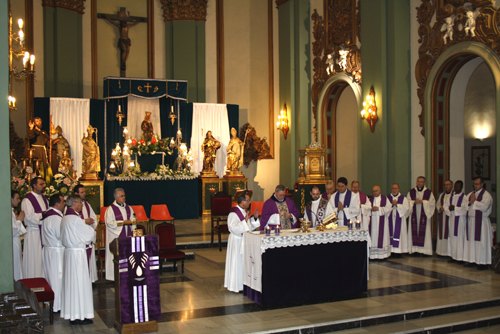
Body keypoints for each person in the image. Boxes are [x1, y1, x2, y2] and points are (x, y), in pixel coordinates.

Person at [60, 196, 95, 325]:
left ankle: (73, 314)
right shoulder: (76, 219)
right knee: (80, 284)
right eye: (80, 203)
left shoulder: (65, 218)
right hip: (78, 255)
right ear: (74, 203)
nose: (81, 205)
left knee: (71, 285)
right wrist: (90, 229)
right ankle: (81, 315)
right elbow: (89, 234)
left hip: (69, 254)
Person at [224, 191, 260, 293]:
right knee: (237, 263)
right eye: (247, 200)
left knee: (243, 263)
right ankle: (236, 285)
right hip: (236, 241)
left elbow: (248, 227)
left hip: (243, 240)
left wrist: (255, 218)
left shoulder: (244, 211)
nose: (249, 202)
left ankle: (243, 284)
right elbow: (233, 228)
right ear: (242, 201)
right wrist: (244, 221)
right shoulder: (233, 213)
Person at [104, 188, 136, 281]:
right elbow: (110, 223)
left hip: (128, 236)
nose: (124, 198)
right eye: (122, 196)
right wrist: (123, 223)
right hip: (115, 237)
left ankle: (127, 275)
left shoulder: (129, 208)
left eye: (124, 195)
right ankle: (115, 277)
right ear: (116, 197)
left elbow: (133, 220)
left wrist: (133, 229)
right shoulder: (110, 209)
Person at [42, 195, 65, 313]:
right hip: (56, 252)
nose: (64, 204)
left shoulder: (47, 216)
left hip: (48, 250)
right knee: (57, 277)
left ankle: (52, 302)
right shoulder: (55, 218)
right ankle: (57, 305)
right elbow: (61, 236)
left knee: (50, 277)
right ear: (57, 204)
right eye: (63, 202)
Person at [21, 176, 48, 278]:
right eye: (41, 184)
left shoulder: (44, 199)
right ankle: (33, 280)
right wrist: (43, 215)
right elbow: (28, 218)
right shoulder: (27, 200)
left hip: (43, 232)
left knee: (41, 260)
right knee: (34, 259)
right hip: (34, 233)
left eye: (44, 184)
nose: (43, 186)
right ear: (34, 185)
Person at [466, 177, 493, 269]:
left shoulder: (486, 195)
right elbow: (464, 205)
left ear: (482, 184)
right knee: (472, 242)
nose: (475, 185)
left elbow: (485, 207)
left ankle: (483, 262)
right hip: (471, 221)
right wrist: (470, 202)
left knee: (482, 242)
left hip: (482, 222)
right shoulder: (470, 194)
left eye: (477, 184)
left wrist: (475, 201)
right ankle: (473, 260)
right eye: (474, 184)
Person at [74, 184, 98, 283]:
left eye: (84, 192)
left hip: (88, 236)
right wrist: (85, 222)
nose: (84, 194)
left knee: (90, 258)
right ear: (76, 194)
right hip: (79, 238)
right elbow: (72, 221)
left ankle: (90, 279)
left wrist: (92, 224)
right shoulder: (71, 206)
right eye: (82, 192)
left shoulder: (87, 204)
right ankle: (82, 280)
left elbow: (94, 218)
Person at [407, 176, 435, 255]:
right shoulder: (411, 192)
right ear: (416, 182)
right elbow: (407, 202)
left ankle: (424, 251)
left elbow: (432, 203)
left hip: (424, 215)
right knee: (414, 231)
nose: (420, 183)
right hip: (414, 214)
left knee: (424, 231)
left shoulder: (428, 192)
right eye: (418, 181)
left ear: (424, 183)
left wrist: (423, 202)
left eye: (422, 181)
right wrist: (413, 202)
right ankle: (414, 250)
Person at [369, 185, 392, 259]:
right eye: (373, 191)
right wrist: (370, 209)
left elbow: (389, 208)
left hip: (382, 222)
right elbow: (366, 209)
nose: (374, 192)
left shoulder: (385, 199)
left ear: (380, 191)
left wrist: (378, 209)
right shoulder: (370, 199)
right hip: (372, 223)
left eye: (376, 191)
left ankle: (382, 255)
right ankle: (373, 255)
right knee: (373, 236)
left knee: (382, 237)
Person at [387, 183, 410, 255]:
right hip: (390, 220)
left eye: (396, 188)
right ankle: (391, 251)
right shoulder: (387, 198)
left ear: (399, 189)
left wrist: (397, 205)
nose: (394, 190)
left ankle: (399, 251)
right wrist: (391, 205)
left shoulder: (404, 198)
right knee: (390, 233)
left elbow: (406, 208)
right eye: (393, 188)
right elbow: (385, 208)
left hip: (400, 220)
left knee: (399, 234)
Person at [448, 180, 468, 262]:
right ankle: (453, 256)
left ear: (461, 187)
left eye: (458, 186)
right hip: (452, 220)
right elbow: (447, 206)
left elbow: (465, 209)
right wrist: (449, 208)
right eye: (455, 186)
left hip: (460, 221)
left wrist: (455, 208)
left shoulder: (464, 197)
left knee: (459, 238)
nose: (456, 187)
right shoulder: (452, 196)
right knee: (452, 238)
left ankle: (460, 258)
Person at [436, 179, 453, 257]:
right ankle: (440, 252)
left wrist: (445, 208)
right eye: (445, 185)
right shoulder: (442, 195)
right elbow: (438, 204)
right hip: (442, 217)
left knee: (448, 233)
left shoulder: (454, 195)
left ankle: (448, 253)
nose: (447, 186)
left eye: (448, 184)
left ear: (451, 185)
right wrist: (440, 208)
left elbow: (453, 206)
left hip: (450, 218)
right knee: (441, 234)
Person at [11, 190, 26, 281]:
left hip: (15, 241)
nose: (19, 200)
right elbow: (12, 230)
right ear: (10, 199)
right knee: (15, 265)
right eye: (17, 198)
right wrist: (20, 219)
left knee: (17, 264)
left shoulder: (11, 211)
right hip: (12, 242)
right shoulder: (8, 212)